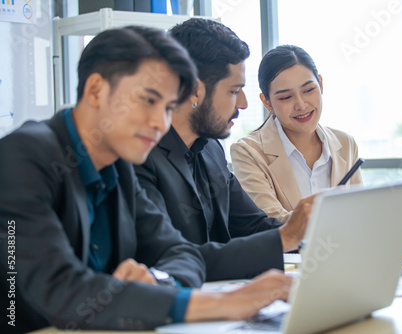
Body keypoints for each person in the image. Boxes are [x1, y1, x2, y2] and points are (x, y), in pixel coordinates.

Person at [0, 26, 292, 334]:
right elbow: (60, 288)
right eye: (148, 100)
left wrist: (160, 281)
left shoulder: (118, 166)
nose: (159, 122)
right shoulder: (22, 156)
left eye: (167, 107)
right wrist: (223, 303)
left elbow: (182, 253)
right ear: (96, 90)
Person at [134, 19, 313, 281]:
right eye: (234, 91)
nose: (243, 103)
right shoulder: (138, 157)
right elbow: (170, 258)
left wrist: (313, 235)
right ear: (194, 90)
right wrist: (285, 238)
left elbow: (253, 226)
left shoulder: (210, 150)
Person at [231, 45, 363, 223]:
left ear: (321, 85)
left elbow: (360, 212)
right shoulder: (248, 152)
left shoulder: (345, 144)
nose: (301, 105)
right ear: (267, 102)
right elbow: (270, 223)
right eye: (286, 97)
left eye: (308, 90)